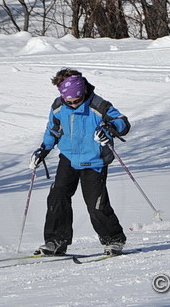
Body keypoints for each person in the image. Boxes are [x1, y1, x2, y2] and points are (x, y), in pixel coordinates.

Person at [29, 68, 131, 256]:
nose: (74, 105)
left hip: (94, 161)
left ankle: (114, 239)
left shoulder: (99, 105)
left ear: (83, 91)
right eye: (70, 102)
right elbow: (53, 130)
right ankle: (56, 241)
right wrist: (44, 149)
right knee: (57, 197)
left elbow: (123, 122)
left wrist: (109, 128)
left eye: (77, 101)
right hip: (68, 157)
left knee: (95, 204)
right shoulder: (58, 106)